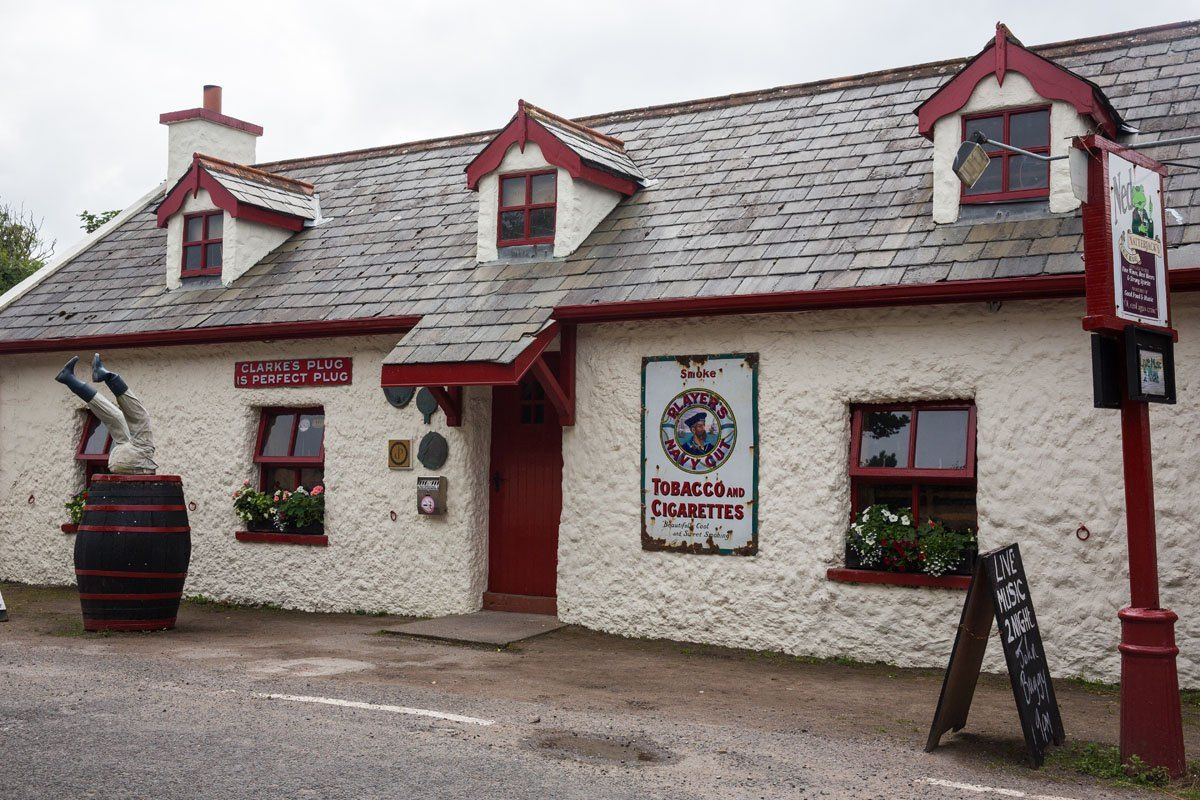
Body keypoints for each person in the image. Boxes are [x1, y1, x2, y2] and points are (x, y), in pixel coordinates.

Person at [55, 354, 157, 475]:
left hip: (124, 457)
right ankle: (98, 377)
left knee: (127, 418)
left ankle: (73, 379)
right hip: (135, 459)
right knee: (131, 418)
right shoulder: (141, 448)